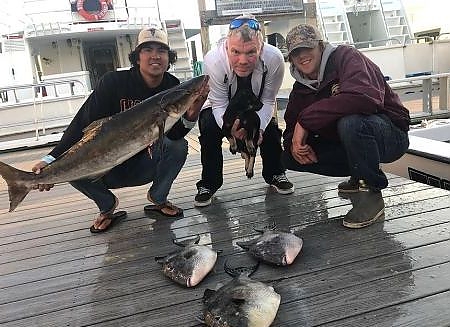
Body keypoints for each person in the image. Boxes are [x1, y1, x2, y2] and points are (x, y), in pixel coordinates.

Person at [32, 26, 208, 233]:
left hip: (143, 165)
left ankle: (158, 198)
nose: (155, 56)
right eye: (147, 50)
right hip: (104, 168)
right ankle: (106, 206)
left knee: (179, 146)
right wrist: (51, 160)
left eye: (161, 51)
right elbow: (81, 124)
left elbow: (175, 134)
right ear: (137, 57)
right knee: (71, 166)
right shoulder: (113, 83)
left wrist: (193, 109)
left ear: (169, 58)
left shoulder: (172, 86)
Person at [282, 24, 410, 229]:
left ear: (321, 46)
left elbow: (364, 99)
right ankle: (358, 175)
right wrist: (297, 147)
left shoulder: (347, 57)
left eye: (308, 48)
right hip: (350, 139)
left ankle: (371, 191)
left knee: (351, 123)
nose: (302, 55)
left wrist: (304, 120)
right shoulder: (299, 90)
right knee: (288, 156)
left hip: (391, 134)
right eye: (296, 52)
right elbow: (290, 132)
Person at [194, 14, 294, 207]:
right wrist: (231, 130)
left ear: (261, 47)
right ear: (226, 46)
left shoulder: (274, 59)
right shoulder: (213, 61)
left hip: (254, 105)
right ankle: (209, 183)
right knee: (208, 129)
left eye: (251, 52)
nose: (243, 60)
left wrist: (260, 130)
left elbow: (267, 100)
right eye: (236, 52)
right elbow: (220, 104)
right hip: (221, 106)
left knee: (271, 129)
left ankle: (275, 172)